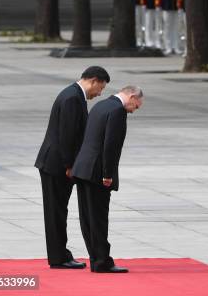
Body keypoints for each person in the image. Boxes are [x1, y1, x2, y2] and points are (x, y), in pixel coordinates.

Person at [35, 66, 110, 269]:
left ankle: (60, 254)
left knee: (58, 210)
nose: (100, 93)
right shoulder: (72, 98)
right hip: (56, 164)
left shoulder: (74, 95)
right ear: (93, 80)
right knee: (56, 211)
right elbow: (67, 135)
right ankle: (59, 257)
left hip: (56, 162)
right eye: (100, 88)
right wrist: (70, 165)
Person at [72, 86, 144, 274]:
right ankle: (102, 261)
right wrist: (108, 174)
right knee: (98, 218)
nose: (134, 110)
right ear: (132, 96)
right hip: (97, 172)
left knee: (87, 217)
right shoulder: (117, 111)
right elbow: (111, 146)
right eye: (136, 106)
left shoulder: (100, 105)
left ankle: (96, 258)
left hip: (83, 168)